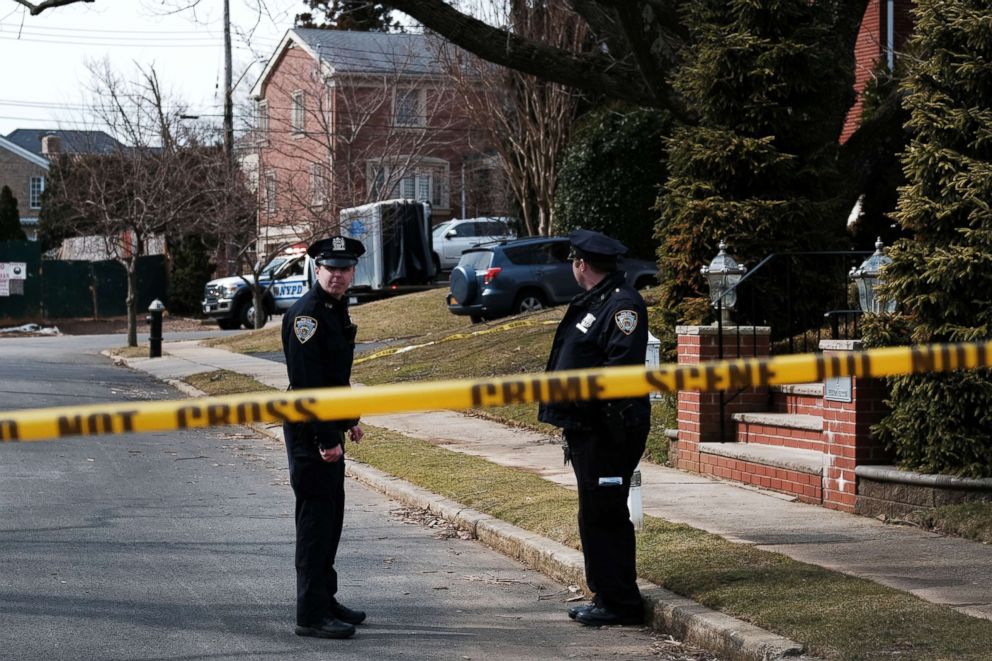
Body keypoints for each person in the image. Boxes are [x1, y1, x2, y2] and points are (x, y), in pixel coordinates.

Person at [538, 229, 650, 627]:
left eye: (573, 261)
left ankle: (620, 601)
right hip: (588, 428)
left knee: (605, 514)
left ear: (581, 264)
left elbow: (619, 371)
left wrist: (579, 400)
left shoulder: (623, 306)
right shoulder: (595, 302)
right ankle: (606, 593)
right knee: (594, 513)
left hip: (609, 429)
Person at [282, 235, 368, 639]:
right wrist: (324, 438)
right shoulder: (308, 316)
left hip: (328, 428)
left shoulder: (336, 309)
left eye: (344, 268)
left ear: (353, 272)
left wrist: (348, 419)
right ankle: (310, 614)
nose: (337, 275)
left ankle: (325, 599)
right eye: (330, 268)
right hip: (310, 433)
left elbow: (335, 378)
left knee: (331, 520)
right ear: (317, 270)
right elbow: (306, 384)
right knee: (316, 525)